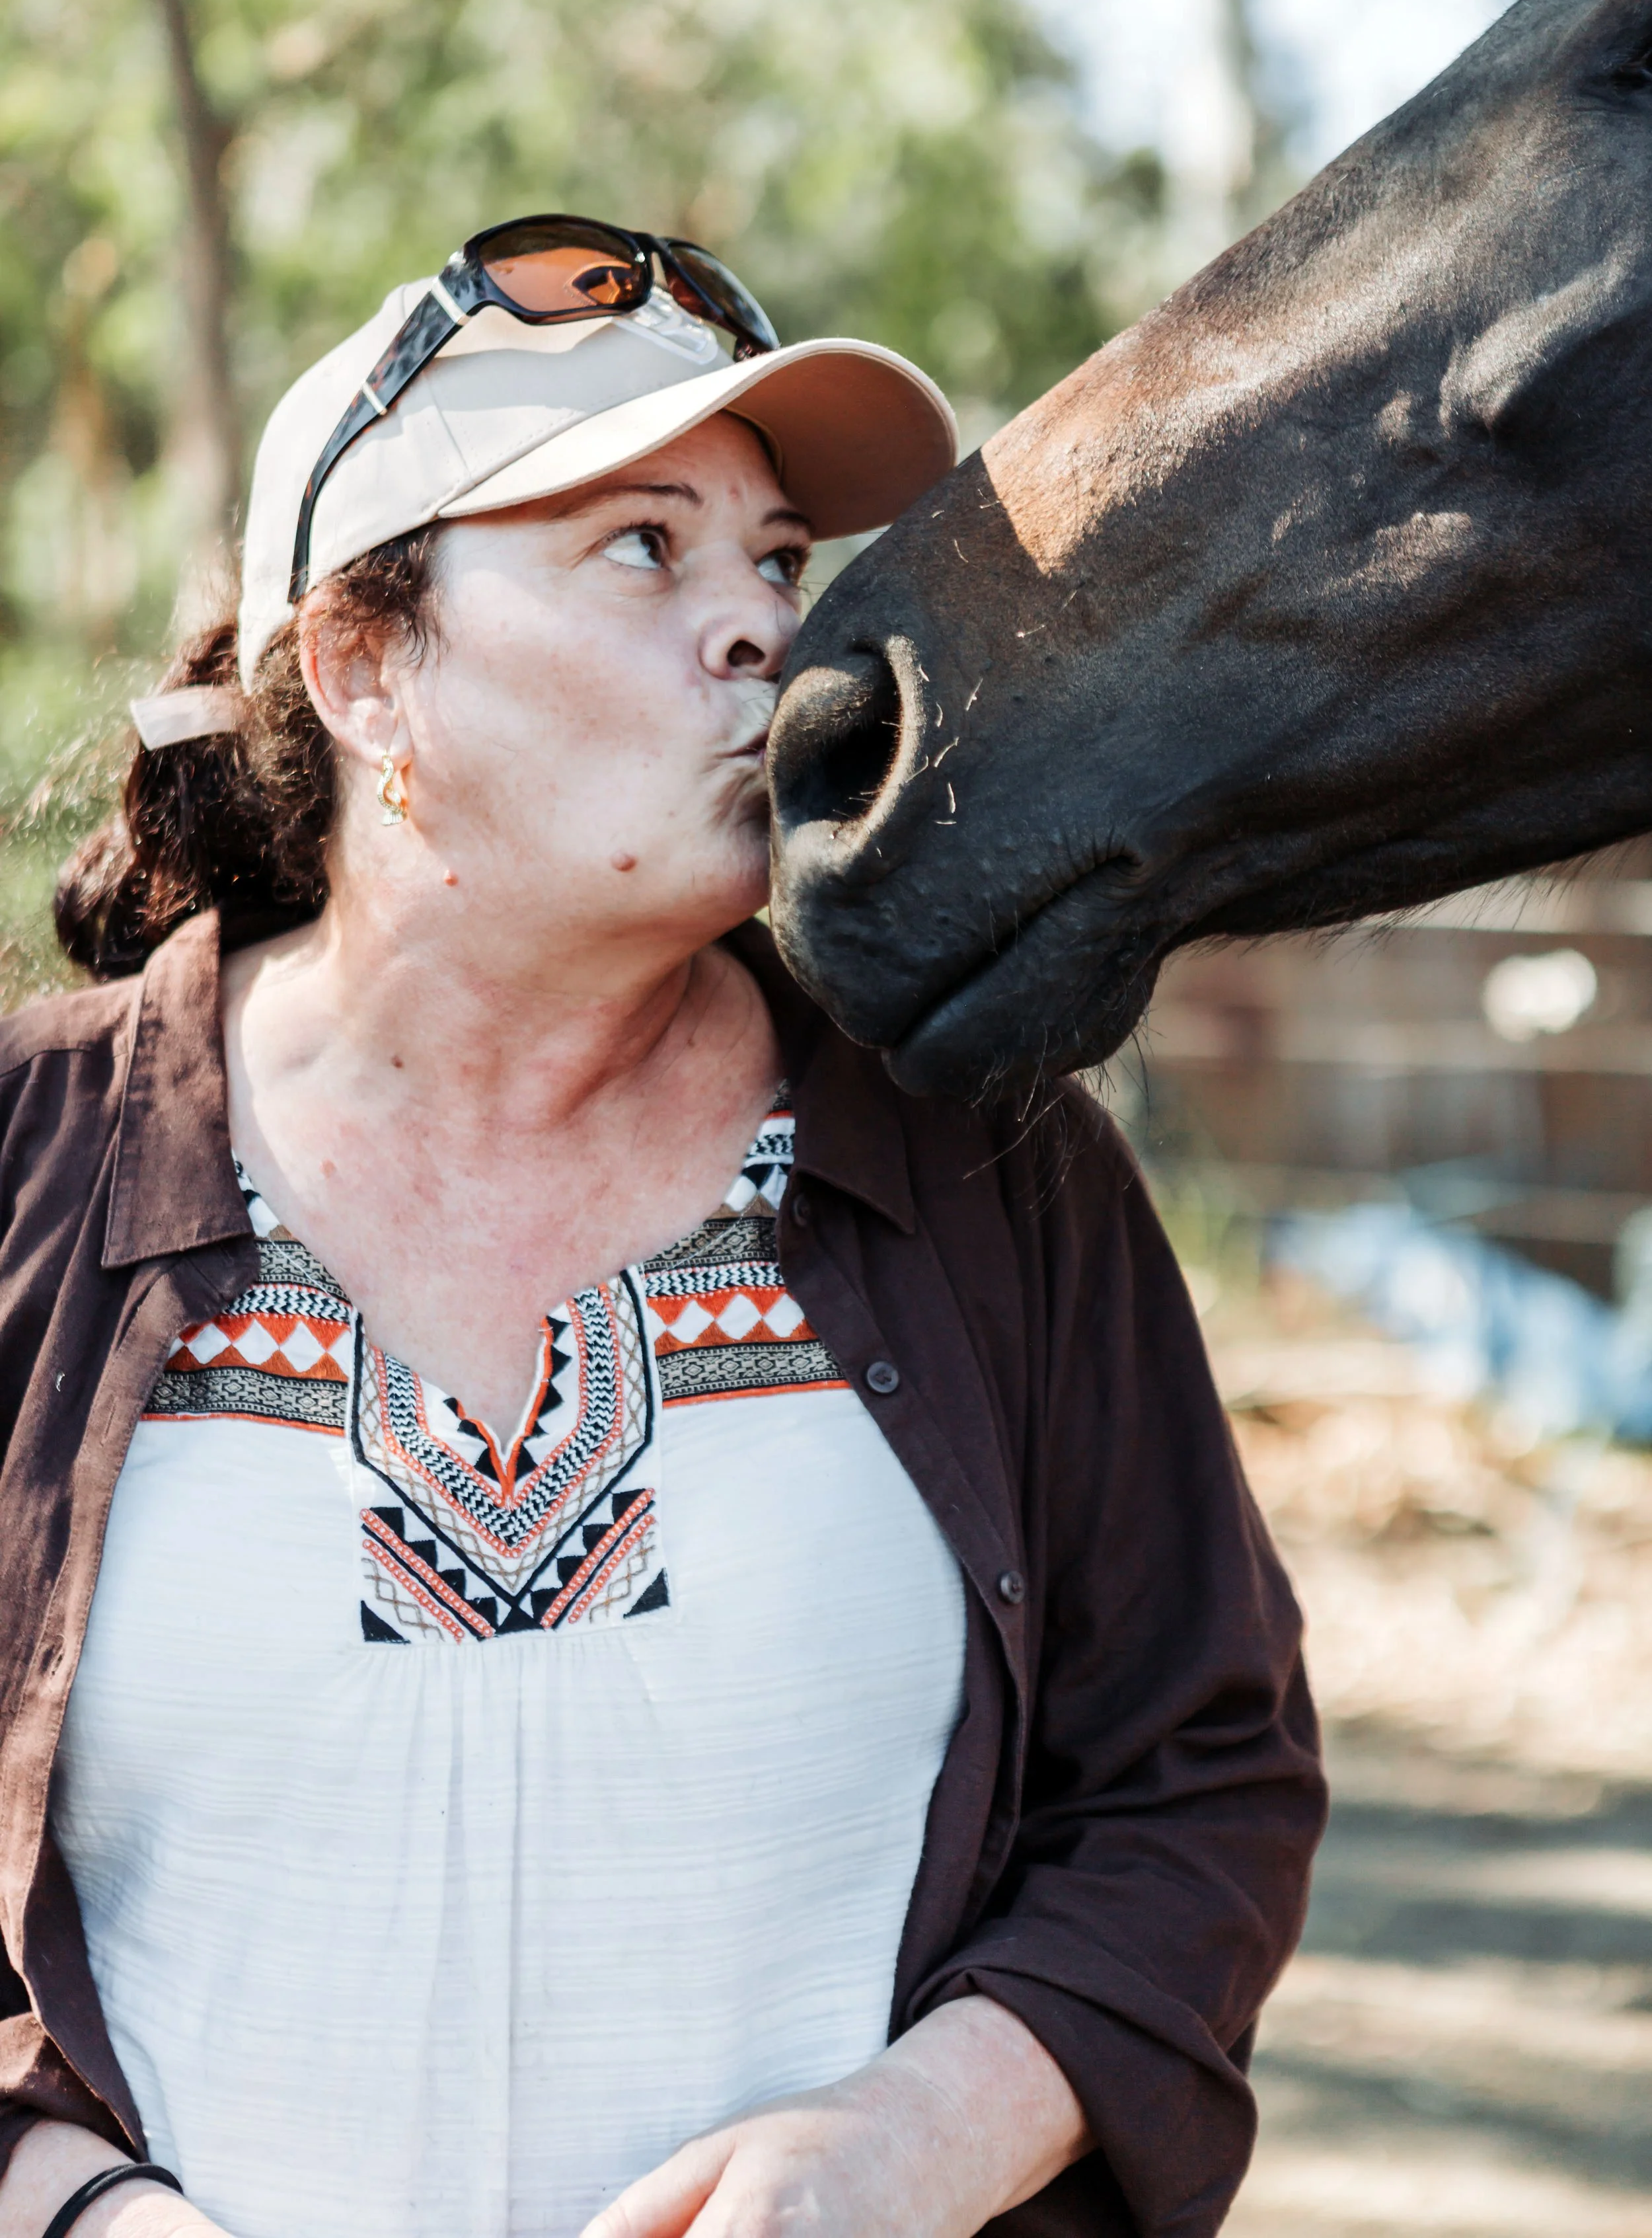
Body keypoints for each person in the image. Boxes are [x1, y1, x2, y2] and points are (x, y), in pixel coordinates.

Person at [0, 216, 1324, 2238]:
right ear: (366, 668)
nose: (760, 632)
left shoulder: (992, 1162)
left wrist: (921, 2135)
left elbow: (1193, 1779)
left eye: (775, 563)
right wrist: (78, 2210)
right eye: (643, 547)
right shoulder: (30, 1156)